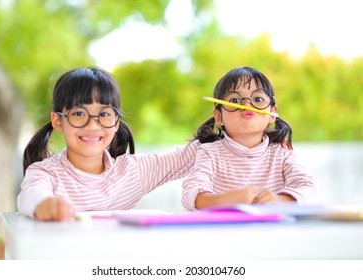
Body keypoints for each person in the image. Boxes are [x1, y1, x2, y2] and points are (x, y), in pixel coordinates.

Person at [18, 66, 199, 221]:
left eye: (104, 114)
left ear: (116, 122)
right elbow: (31, 195)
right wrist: (44, 205)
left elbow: (185, 157)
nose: (93, 125)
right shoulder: (46, 173)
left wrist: (224, 124)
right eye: (79, 113)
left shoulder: (131, 172)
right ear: (58, 121)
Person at [182, 66, 319, 210]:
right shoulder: (209, 152)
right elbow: (190, 195)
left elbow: (310, 191)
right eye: (234, 100)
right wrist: (223, 200)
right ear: (218, 116)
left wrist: (282, 200)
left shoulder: (282, 154)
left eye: (258, 99)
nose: (246, 105)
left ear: (273, 113)